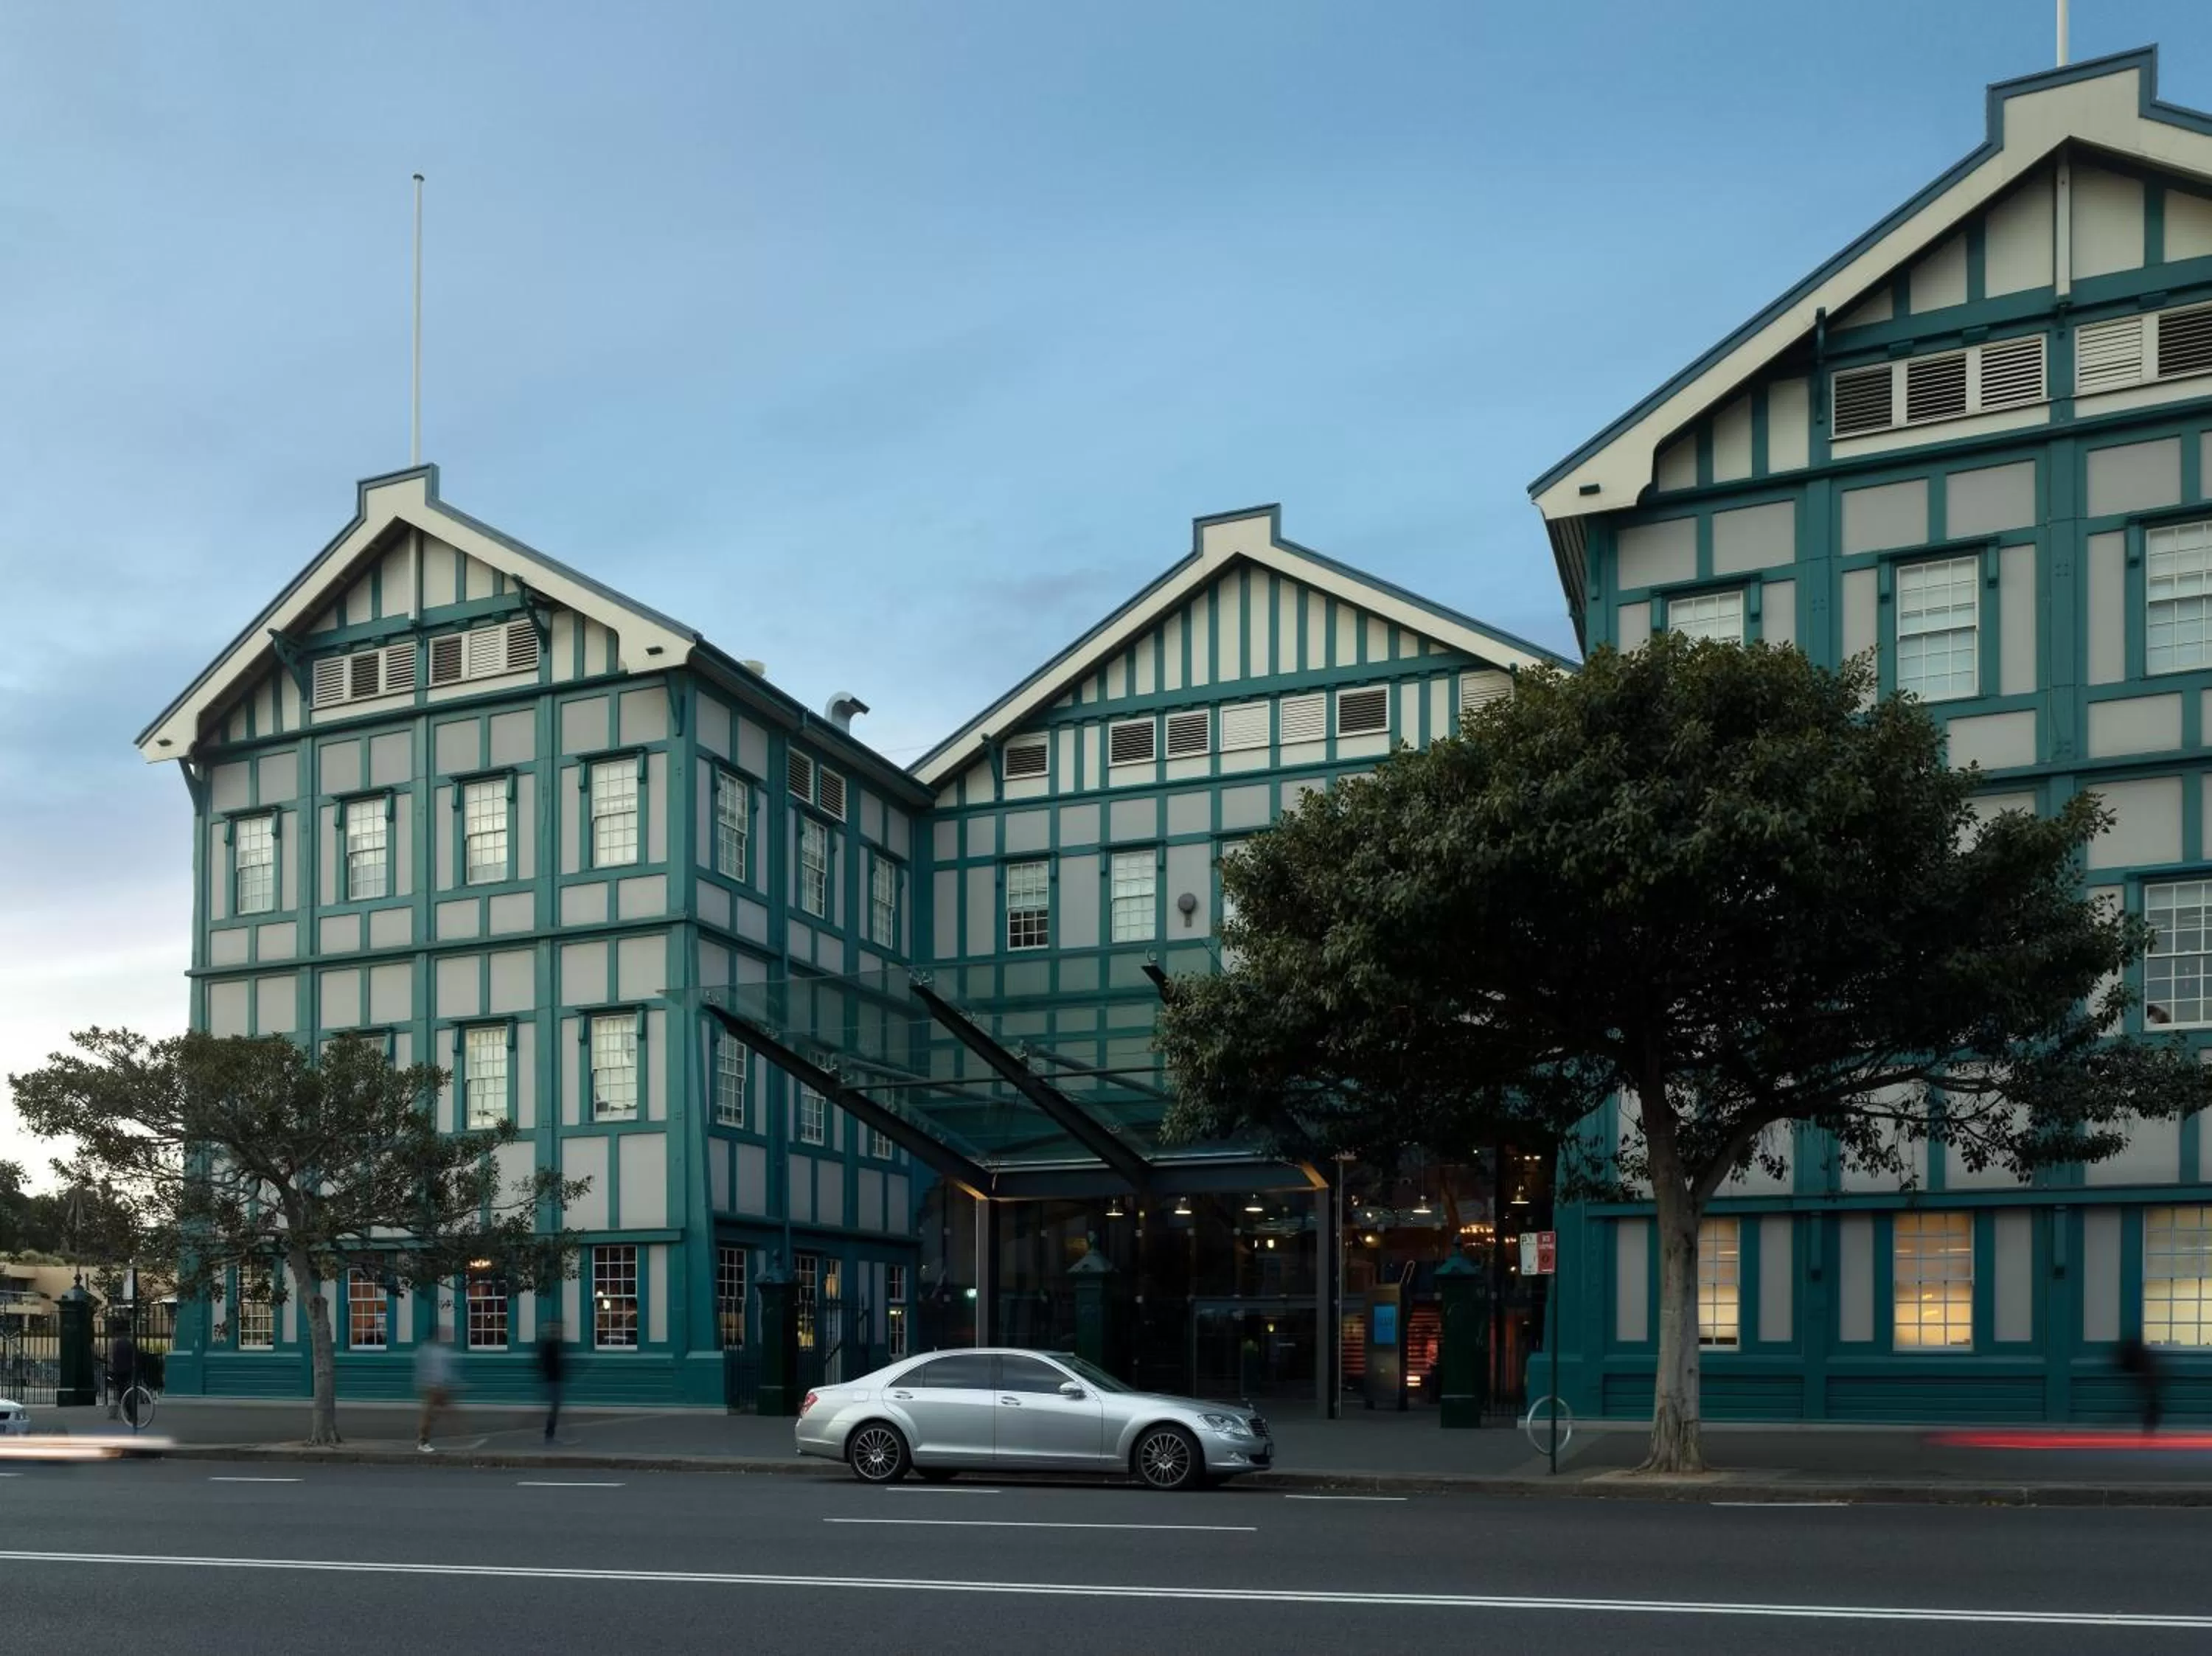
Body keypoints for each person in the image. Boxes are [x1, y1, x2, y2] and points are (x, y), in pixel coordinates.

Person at [415, 1326, 456, 1453]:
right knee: (429, 1415)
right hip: (432, 1387)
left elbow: (446, 1370)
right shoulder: (428, 1350)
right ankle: (423, 1442)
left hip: (441, 1386)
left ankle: (461, 1435)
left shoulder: (442, 1350)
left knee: (449, 1412)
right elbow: (423, 1368)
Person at [2117, 1335, 2163, 1436]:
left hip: (2144, 1376)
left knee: (2151, 1401)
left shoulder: (2140, 1356)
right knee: (2152, 1401)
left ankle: (2149, 1425)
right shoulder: (2146, 1359)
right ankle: (2149, 1426)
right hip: (2147, 1377)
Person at [537, 1318, 566, 1444]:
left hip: (554, 1381)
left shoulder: (555, 1344)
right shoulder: (549, 1345)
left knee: (555, 1409)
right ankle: (549, 1436)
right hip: (552, 1381)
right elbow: (548, 1364)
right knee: (554, 1409)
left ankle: (550, 1435)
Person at [105, 1321, 139, 1422]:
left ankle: (122, 1414)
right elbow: (135, 1357)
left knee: (119, 1394)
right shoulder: (130, 1343)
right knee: (127, 1392)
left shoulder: (114, 1343)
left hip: (117, 1372)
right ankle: (131, 1414)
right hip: (128, 1371)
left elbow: (111, 1359)